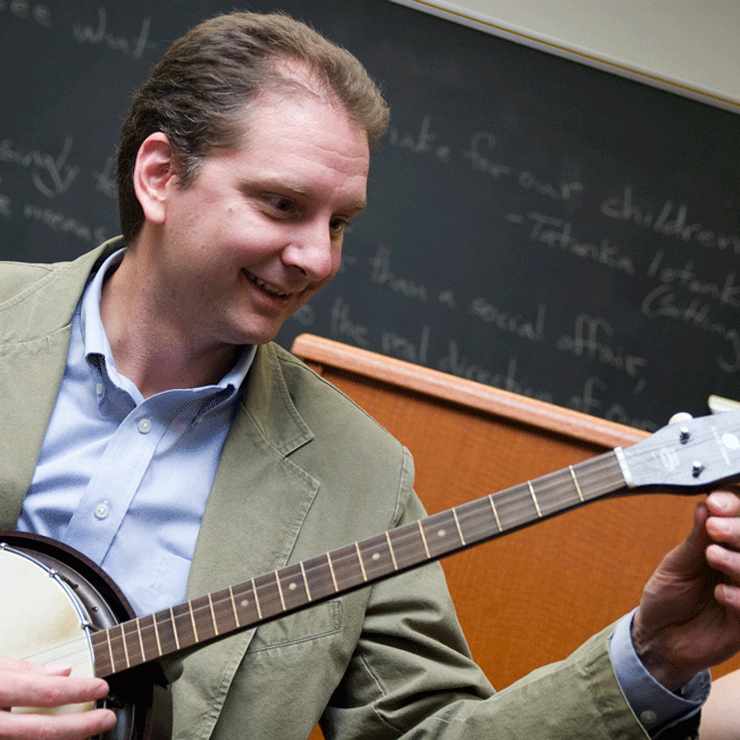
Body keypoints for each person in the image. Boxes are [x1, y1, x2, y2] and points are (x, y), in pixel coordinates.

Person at [1, 10, 740, 740]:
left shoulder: (362, 481)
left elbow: (423, 730)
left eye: (339, 223)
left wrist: (655, 654)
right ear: (160, 176)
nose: (318, 259)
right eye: (282, 204)